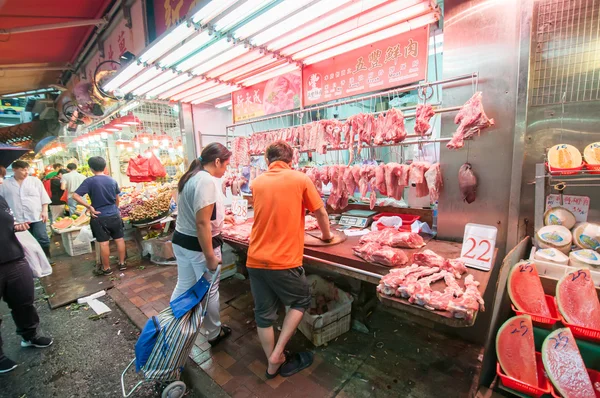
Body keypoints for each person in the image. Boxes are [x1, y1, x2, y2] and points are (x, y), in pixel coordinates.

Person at [247, 141, 332, 379]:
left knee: (263, 313)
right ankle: (278, 353)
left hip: (255, 259)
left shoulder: (257, 182)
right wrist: (327, 236)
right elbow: (320, 212)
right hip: (283, 261)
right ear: (291, 160)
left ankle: (272, 363)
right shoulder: (300, 179)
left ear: (267, 161)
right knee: (301, 300)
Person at [170, 143, 233, 347]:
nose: (226, 170)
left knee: (184, 284)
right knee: (210, 290)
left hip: (181, 241)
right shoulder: (206, 181)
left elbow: (201, 216)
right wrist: (210, 257)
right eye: (226, 165)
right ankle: (214, 333)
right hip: (198, 247)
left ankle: (172, 325)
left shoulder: (191, 177)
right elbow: (202, 222)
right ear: (216, 161)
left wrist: (221, 221)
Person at [0, 194, 53, 374]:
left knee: (24, 301)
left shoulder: (1, 199)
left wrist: (16, 227)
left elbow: (8, 223)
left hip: (14, 258)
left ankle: (30, 336)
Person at [72, 157, 125, 276]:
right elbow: (118, 199)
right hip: (114, 214)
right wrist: (115, 209)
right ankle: (122, 263)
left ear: (91, 168)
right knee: (119, 239)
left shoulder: (89, 181)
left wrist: (89, 207)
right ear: (105, 167)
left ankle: (107, 268)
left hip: (99, 216)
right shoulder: (112, 180)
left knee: (104, 243)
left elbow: (75, 196)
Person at [0, 161, 52, 263]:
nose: (26, 172)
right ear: (15, 170)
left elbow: (43, 197)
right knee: (26, 242)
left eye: (27, 169)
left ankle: (47, 258)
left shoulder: (35, 181)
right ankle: (32, 261)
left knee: (42, 237)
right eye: (23, 170)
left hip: (36, 215)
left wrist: (45, 211)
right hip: (18, 219)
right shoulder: (5, 184)